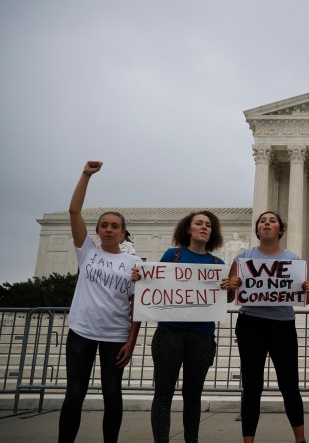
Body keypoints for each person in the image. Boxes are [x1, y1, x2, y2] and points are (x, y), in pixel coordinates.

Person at [131, 211, 240, 443]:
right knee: (163, 394)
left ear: (213, 232)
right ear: (188, 229)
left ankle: (192, 440)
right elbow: (154, 284)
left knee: (193, 395)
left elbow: (227, 299)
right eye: (198, 223)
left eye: (208, 225)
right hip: (170, 333)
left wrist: (231, 287)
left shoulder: (217, 264)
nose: (204, 227)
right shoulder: (173, 255)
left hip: (202, 337)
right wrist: (139, 277)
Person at [59, 161, 141, 443]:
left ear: (123, 232)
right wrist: (85, 175)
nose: (108, 229)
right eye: (104, 225)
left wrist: (131, 341)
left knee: (112, 394)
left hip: (115, 336)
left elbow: (137, 306)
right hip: (81, 332)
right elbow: (74, 211)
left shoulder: (134, 263)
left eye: (114, 226)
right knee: (74, 393)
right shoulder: (87, 251)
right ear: (97, 230)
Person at [228, 211, 309, 443]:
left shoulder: (294, 260)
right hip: (250, 325)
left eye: (272, 221)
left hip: (283, 327)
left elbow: (304, 301)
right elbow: (229, 297)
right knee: (252, 386)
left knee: (289, 385)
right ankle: (248, 441)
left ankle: (300, 439)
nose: (267, 224)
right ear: (257, 230)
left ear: (280, 230)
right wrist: (232, 285)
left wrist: (308, 292)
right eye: (262, 221)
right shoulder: (243, 259)